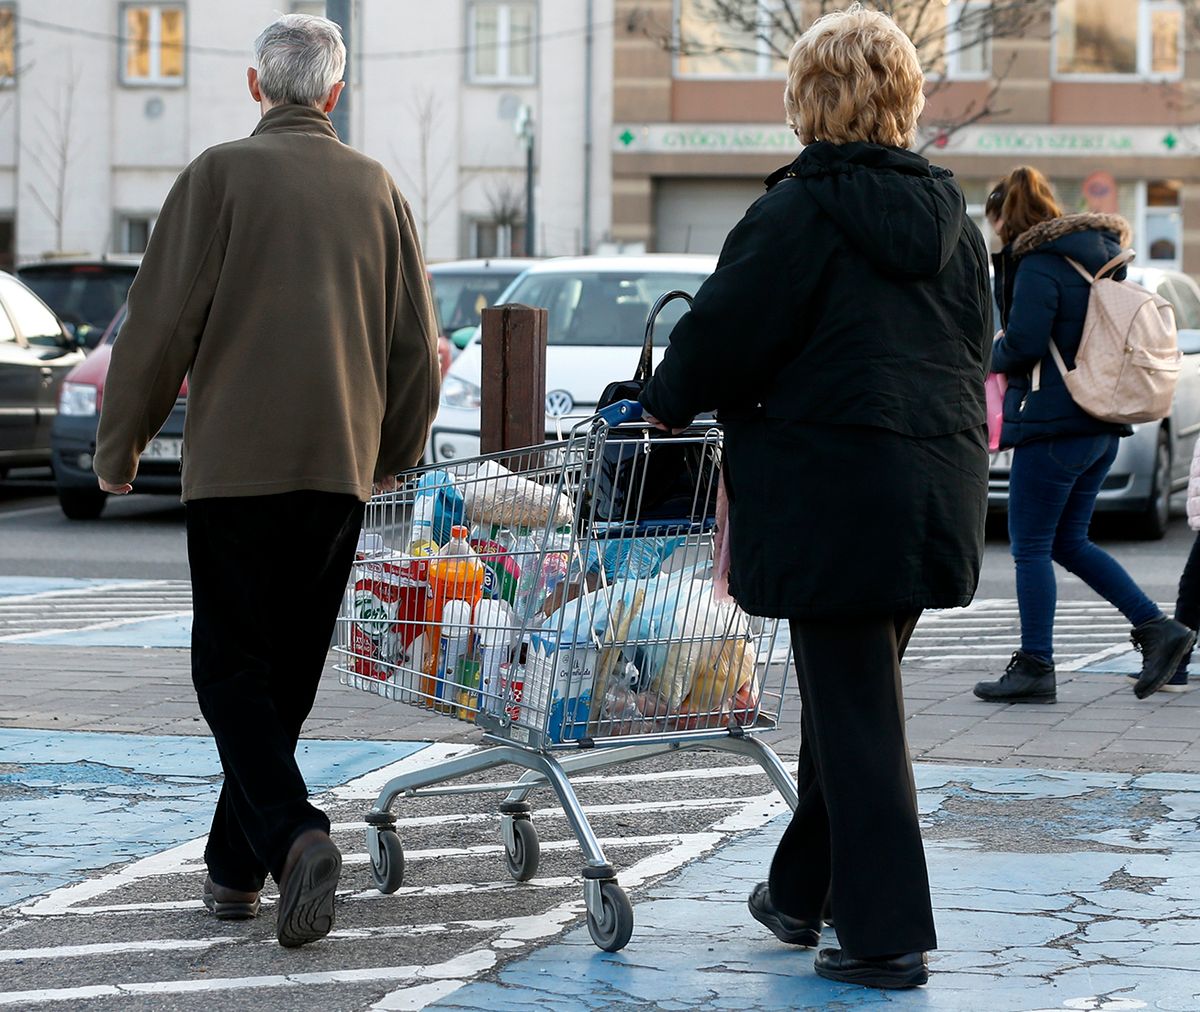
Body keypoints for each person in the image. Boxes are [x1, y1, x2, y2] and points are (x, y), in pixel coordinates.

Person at [640, 5, 991, 990]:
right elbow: (975, 353)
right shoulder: (955, 227)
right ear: (903, 99)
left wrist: (660, 402)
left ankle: (885, 937)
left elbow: (721, 335)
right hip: (935, 484)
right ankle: (800, 892)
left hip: (834, 492)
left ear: (809, 99)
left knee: (859, 716)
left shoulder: (796, 214)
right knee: (850, 704)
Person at [93, 14, 439, 947]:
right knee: (284, 676)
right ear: (336, 92)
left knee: (229, 670)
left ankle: (292, 835)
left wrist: (119, 447)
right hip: (338, 470)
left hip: (236, 471)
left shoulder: (218, 176)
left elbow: (158, 324)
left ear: (256, 86)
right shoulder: (377, 188)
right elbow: (415, 347)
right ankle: (234, 870)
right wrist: (393, 453)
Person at [972, 167, 1195, 705]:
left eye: (992, 219)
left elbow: (1025, 344)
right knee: (1068, 542)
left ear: (1004, 215)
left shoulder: (1038, 263)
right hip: (1099, 423)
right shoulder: (1094, 258)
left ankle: (1035, 665)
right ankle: (1159, 629)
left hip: (1054, 423)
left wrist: (983, 354)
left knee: (1029, 546)